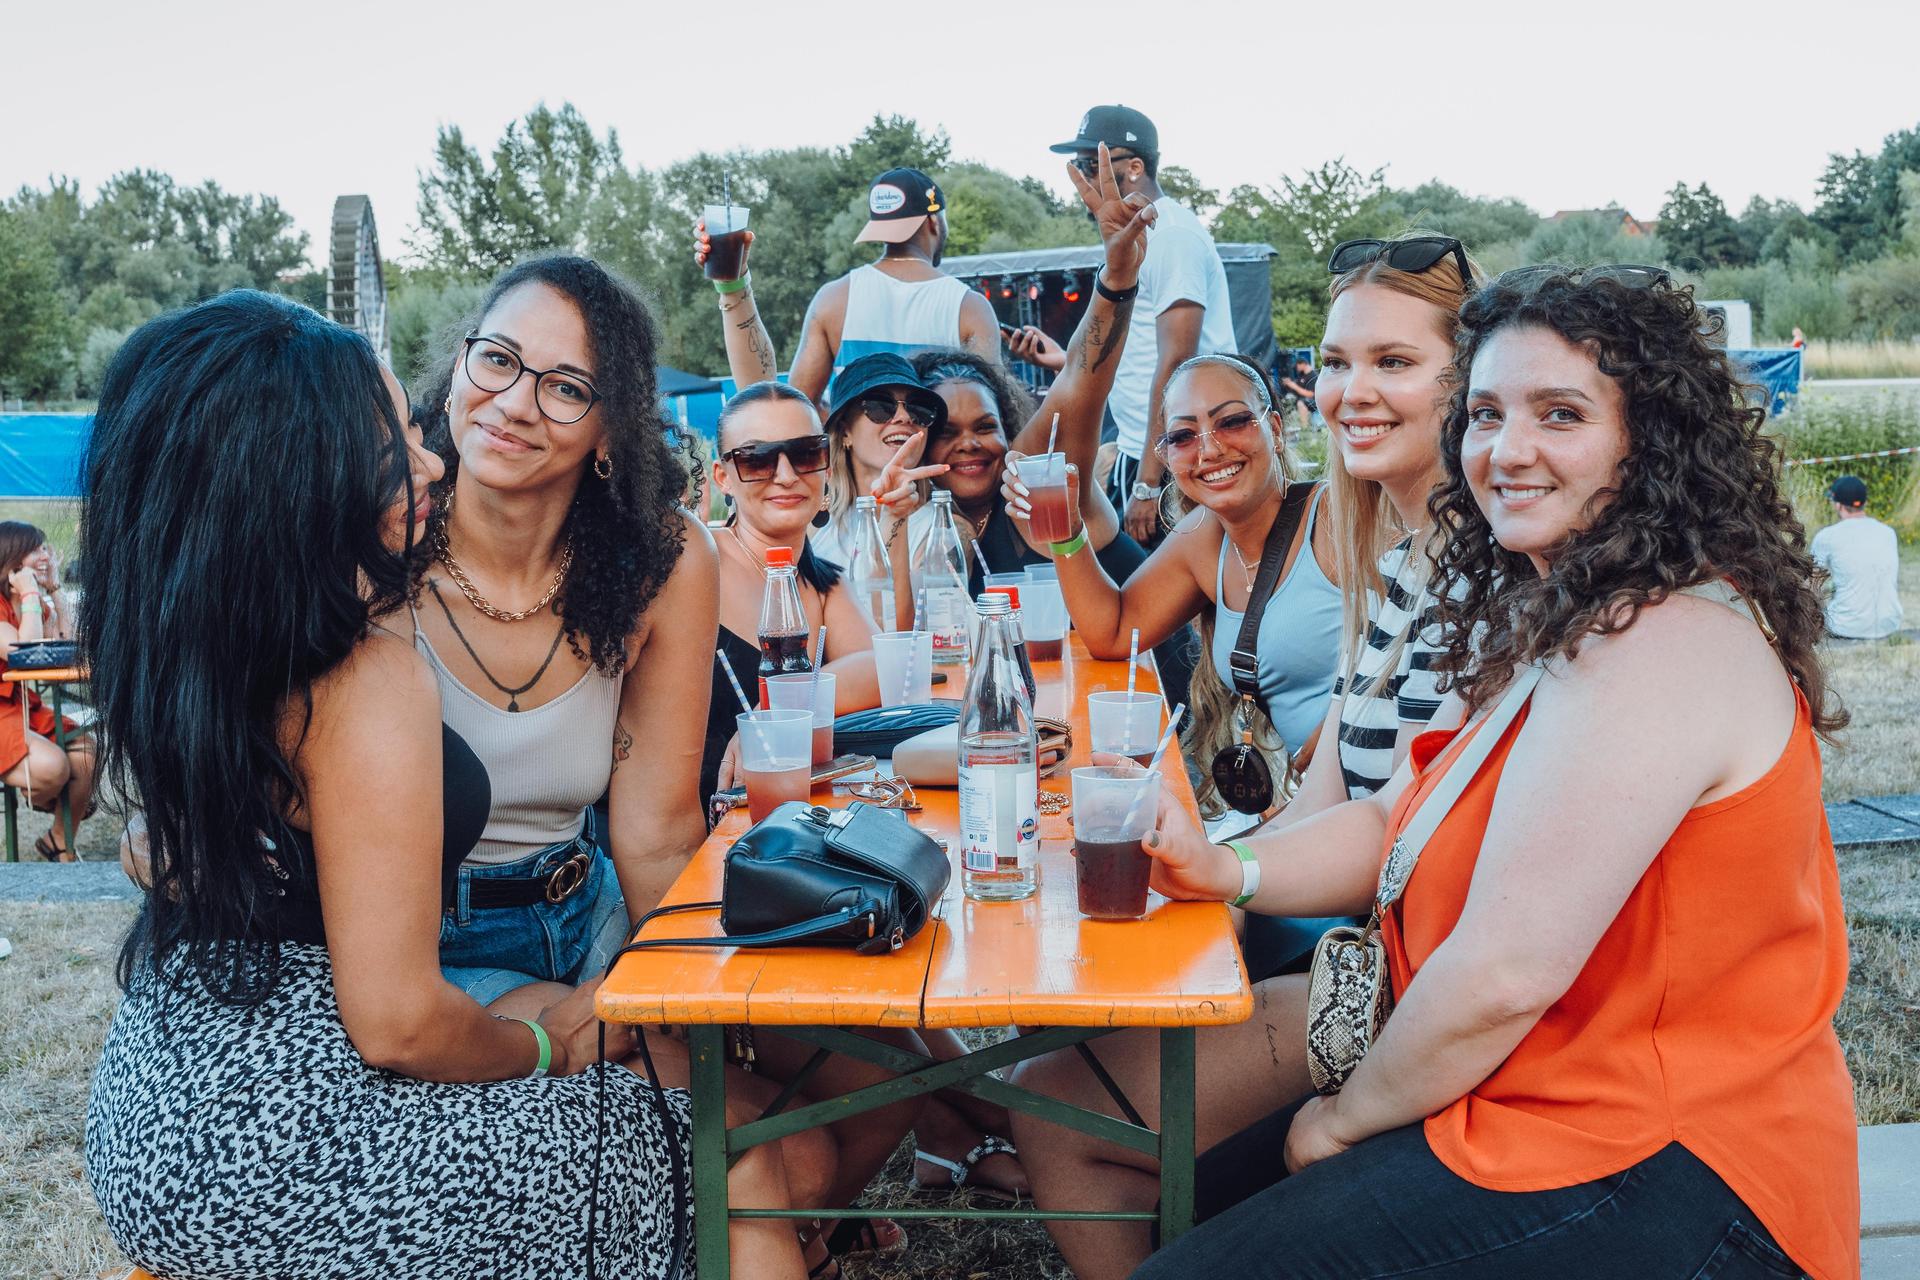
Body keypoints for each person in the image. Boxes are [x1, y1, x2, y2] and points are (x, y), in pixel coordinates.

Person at [1133, 266, 1858, 1280]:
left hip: (1675, 1159)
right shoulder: (1555, 616)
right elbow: (1397, 808)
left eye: (1560, 414)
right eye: (1485, 413)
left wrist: (1344, 1119)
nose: (1507, 450)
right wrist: (1226, 869)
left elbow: (1502, 973)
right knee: (1194, 1191)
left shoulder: (1661, 640)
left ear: (1649, 439)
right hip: (1530, 1100)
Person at [83, 290, 816, 1279]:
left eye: (565, 386)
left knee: (763, 1114)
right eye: (399, 441)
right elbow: (399, 1020)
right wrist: (554, 1042)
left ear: (612, 425)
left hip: (158, 1109)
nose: (437, 452)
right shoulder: (363, 661)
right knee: (752, 1156)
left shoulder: (243, 625)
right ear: (308, 476)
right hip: (294, 1133)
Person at [1006, 234, 1481, 1280]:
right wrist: (1229, 871)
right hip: (1352, 904)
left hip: (1407, 971)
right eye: (1345, 365)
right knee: (1088, 1030)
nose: (1356, 391)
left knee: (1058, 1099)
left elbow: (1417, 836)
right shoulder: (1402, 558)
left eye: (1394, 363)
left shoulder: (1420, 551)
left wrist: (1238, 874)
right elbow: (1118, 630)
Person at [409, 256, 718, 1016]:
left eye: (567, 388)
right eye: (499, 360)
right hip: (425, 949)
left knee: (847, 1065)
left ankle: (995, 1126)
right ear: (459, 366)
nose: (515, 404)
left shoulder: (663, 561)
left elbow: (657, 837)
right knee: (779, 1135)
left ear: (611, 428)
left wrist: (696, 997)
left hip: (594, 911)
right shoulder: (378, 542)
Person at [1050, 105, 1234, 544]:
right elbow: (1139, 351)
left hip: (1176, 457)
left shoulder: (1171, 235)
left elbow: (1178, 358)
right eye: (1077, 165)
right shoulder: (1135, 234)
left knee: (1167, 606)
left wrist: (1149, 484)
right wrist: (1059, 358)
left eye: (1090, 164)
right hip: (1145, 451)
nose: (1082, 176)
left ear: (1134, 166)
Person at [780, 167, 1001, 402]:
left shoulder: (832, 298)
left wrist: (841, 428)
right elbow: (991, 406)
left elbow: (799, 403)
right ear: (934, 221)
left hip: (855, 439)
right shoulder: (970, 308)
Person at [0, 521, 93, 860]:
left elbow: (65, 644)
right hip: (1, 713)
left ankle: (59, 841)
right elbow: (26, 654)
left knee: (86, 754)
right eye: (36, 549)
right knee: (56, 768)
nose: (45, 555)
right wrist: (27, 594)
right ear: (12, 558)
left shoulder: (31, 605)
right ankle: (54, 796)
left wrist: (53, 591)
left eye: (45, 548)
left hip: (25, 707)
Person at [1812, 474, 1903, 639]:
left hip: (1845, 627)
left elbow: (1812, 582)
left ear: (1839, 505)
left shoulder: (1826, 537)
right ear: (1864, 503)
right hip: (1888, 624)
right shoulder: (1888, 533)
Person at [1278, 355, 1318, 435]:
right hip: (1301, 399)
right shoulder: (1302, 375)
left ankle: (1305, 429)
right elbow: (1297, 388)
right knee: (1284, 402)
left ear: (1303, 364)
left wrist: (1294, 386)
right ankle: (1285, 427)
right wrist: (1288, 383)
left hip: (1313, 401)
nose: (1296, 368)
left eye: (1297, 365)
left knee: (1301, 403)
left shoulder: (1313, 376)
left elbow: (1310, 394)